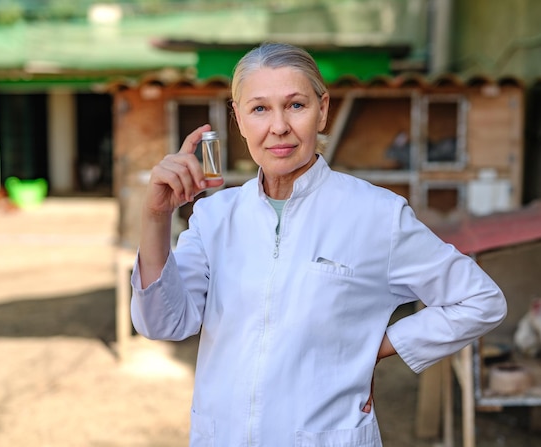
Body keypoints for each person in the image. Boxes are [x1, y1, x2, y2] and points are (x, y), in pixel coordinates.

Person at [131, 42, 507, 446]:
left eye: (295, 105)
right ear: (238, 118)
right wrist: (156, 217)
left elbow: (481, 300)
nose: (278, 127)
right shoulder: (215, 217)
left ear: (322, 110)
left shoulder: (375, 214)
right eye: (259, 109)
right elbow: (163, 322)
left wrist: (377, 347)